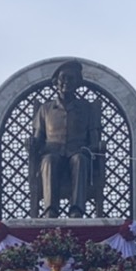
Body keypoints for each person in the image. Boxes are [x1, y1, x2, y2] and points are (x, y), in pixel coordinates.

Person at [27, 60, 102, 218]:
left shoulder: (87, 108)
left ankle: (76, 209)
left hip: (78, 152)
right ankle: (50, 210)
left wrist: (90, 148)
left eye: (71, 78)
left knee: (80, 160)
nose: (67, 82)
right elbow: (38, 139)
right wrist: (32, 144)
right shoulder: (45, 109)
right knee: (48, 161)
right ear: (56, 82)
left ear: (77, 83)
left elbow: (95, 142)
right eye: (63, 78)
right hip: (52, 152)